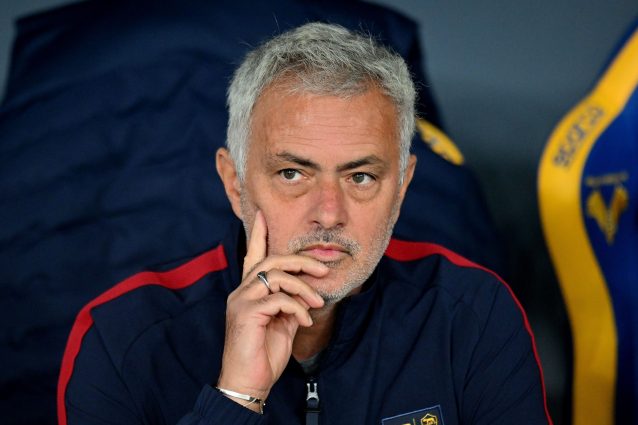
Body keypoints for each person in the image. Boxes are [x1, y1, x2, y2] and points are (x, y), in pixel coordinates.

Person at [58, 22, 551, 424]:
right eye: (292, 174)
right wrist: (237, 397)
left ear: (401, 189)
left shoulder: (472, 314)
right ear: (235, 184)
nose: (329, 213)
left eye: (360, 177)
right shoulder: (121, 338)